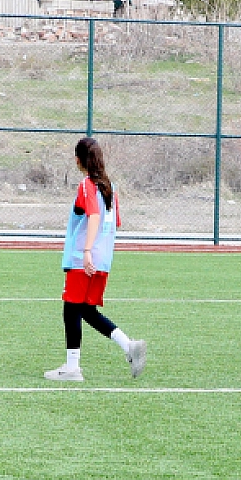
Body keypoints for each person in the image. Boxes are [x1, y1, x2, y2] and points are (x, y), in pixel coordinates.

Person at [43, 137, 147, 382]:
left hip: (83, 259)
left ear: (79, 160)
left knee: (71, 309)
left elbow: (93, 217)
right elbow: (114, 223)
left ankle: (72, 368)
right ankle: (129, 346)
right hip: (103, 261)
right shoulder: (110, 187)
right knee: (87, 311)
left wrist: (87, 250)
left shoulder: (87, 186)